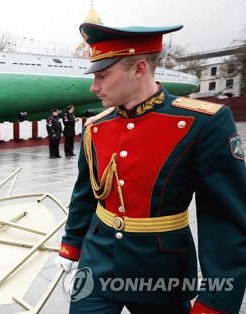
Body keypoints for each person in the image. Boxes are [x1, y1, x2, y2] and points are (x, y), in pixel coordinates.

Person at [55, 23, 246, 314]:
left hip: (160, 271)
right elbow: (85, 193)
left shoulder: (202, 123)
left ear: (139, 68)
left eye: (103, 75)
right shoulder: (96, 127)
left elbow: (224, 218)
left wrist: (216, 301)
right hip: (97, 262)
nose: (94, 87)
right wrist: (71, 245)